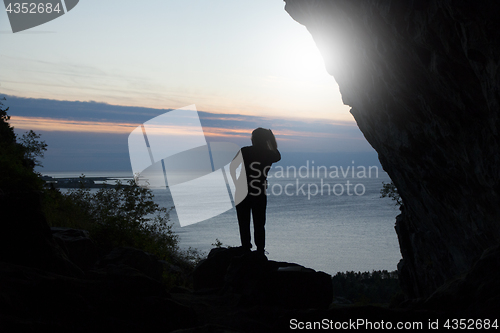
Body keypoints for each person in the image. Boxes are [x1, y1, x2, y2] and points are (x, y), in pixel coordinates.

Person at [230, 127, 281, 254]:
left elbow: (232, 167)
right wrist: (269, 140)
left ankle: (246, 246)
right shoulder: (269, 154)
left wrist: (237, 182)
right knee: (259, 222)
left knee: (243, 221)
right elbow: (277, 155)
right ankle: (260, 250)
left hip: (242, 190)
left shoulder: (245, 151)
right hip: (259, 190)